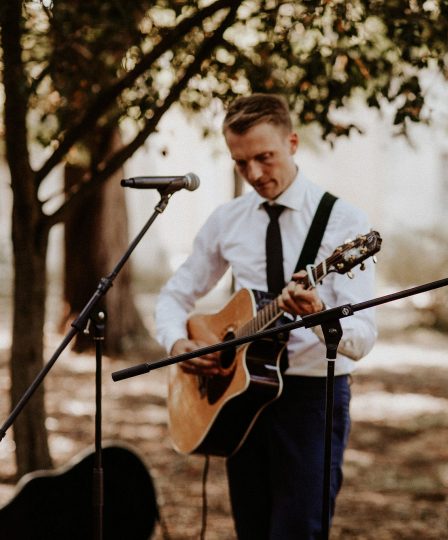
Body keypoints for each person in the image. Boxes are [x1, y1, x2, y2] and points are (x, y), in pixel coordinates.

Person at [154, 93, 377, 539]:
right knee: (251, 528)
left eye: (264, 157)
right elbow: (175, 295)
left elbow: (363, 337)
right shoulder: (228, 220)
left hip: (312, 399)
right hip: (240, 395)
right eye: (241, 163)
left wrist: (316, 315)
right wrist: (177, 343)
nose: (254, 173)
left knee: (300, 530)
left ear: (292, 143)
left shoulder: (343, 222)